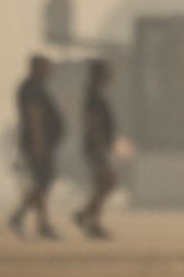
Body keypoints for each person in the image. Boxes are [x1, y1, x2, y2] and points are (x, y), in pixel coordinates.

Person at [8, 54, 64, 240]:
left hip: (38, 143)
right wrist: (40, 145)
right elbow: (35, 118)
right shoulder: (33, 89)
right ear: (37, 68)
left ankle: (40, 223)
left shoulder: (34, 87)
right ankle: (22, 216)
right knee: (42, 183)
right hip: (37, 144)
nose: (50, 71)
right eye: (46, 67)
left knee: (41, 184)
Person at [73, 59, 117, 239]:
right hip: (96, 147)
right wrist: (101, 148)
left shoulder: (96, 95)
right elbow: (94, 124)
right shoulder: (94, 97)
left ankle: (86, 216)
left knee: (104, 184)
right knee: (106, 182)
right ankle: (92, 222)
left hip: (97, 146)